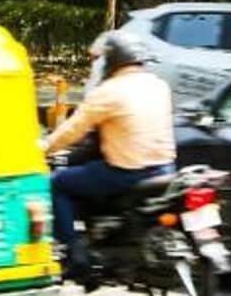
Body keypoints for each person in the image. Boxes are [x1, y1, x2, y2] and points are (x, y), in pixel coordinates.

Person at [44, 32, 176, 283]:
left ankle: (75, 255)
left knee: (57, 183)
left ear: (112, 61)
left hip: (127, 172)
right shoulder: (159, 86)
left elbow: (74, 129)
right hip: (165, 169)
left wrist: (45, 146)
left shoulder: (110, 91)